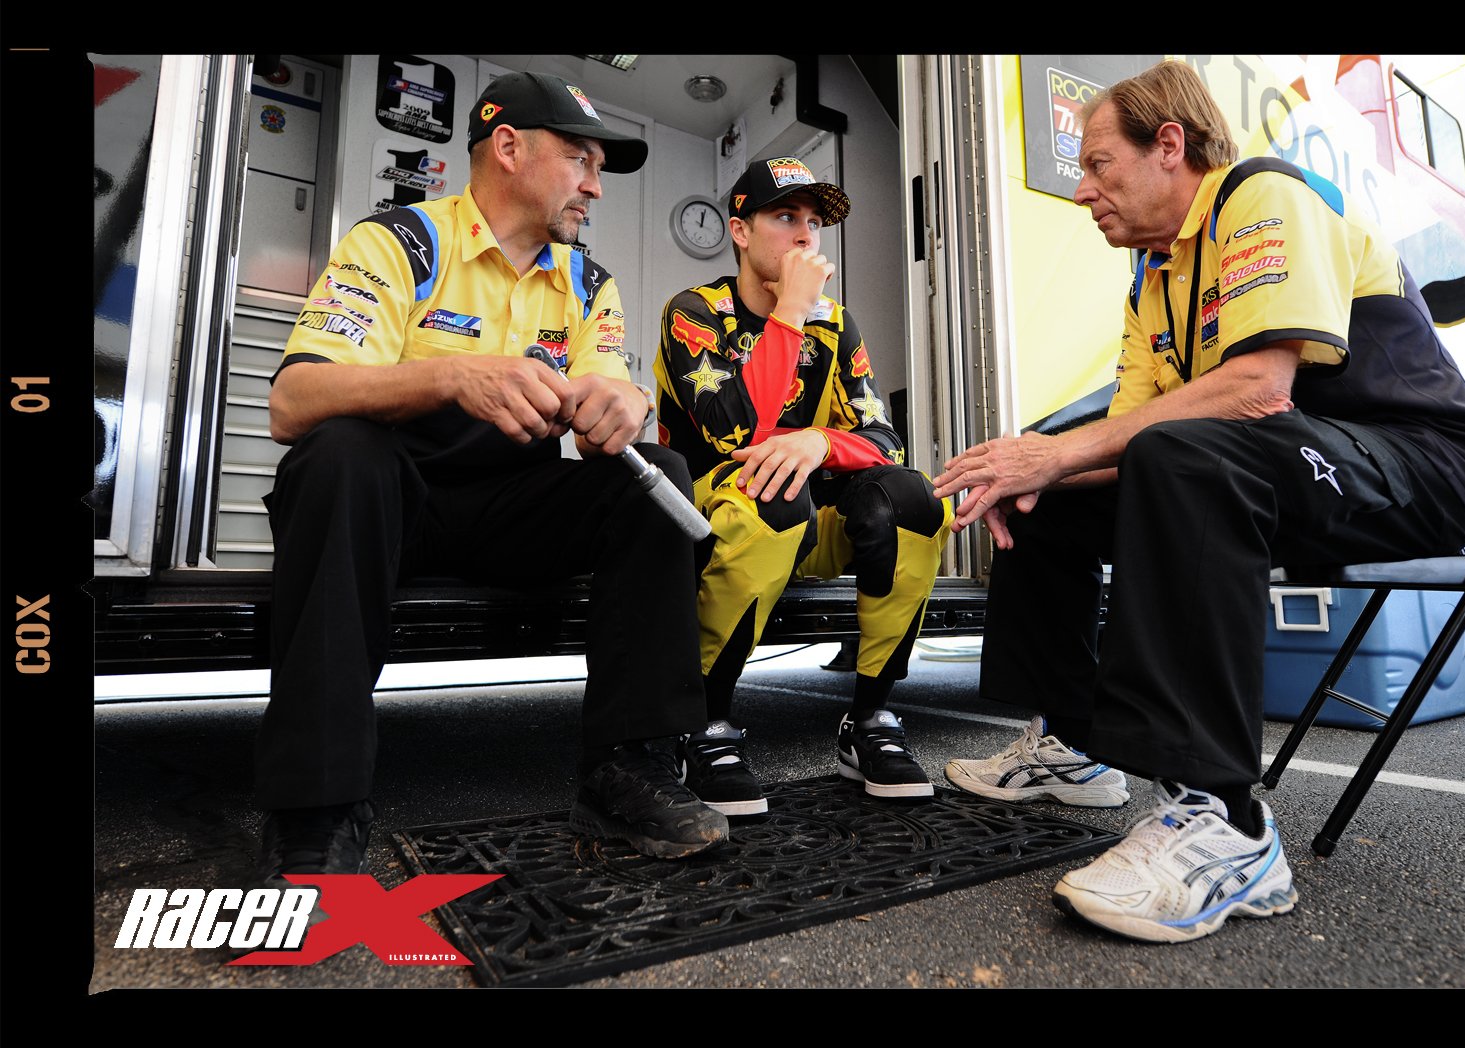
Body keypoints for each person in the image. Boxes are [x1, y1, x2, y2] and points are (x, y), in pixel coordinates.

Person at [934, 61, 1465, 943]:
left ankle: (1228, 823)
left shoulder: (1261, 194)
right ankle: (1076, 747)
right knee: (1059, 494)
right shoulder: (1151, 278)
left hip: (1421, 465)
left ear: (1170, 146)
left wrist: (1048, 453)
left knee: (1175, 454)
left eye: (1097, 165)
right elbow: (1124, 443)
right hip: (1291, 461)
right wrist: (1031, 474)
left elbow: (1257, 390)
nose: (1083, 192)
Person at [254, 71, 729, 885]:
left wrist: (623, 404)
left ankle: (627, 767)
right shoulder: (396, 242)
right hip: (391, 504)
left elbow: (605, 397)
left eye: (601, 168)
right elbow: (293, 402)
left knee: (658, 474)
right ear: (507, 147)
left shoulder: (587, 282)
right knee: (337, 456)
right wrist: (449, 377)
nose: (594, 185)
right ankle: (315, 805)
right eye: (580, 158)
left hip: (512, 509)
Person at [653, 157, 951, 814]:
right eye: (785, 217)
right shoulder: (695, 313)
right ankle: (703, 724)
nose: (804, 238)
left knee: (914, 499)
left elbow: (882, 439)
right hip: (710, 519)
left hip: (800, 521)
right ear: (739, 229)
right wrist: (789, 311)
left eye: (814, 223)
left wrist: (819, 440)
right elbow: (735, 432)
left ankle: (870, 719)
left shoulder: (836, 324)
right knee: (768, 488)